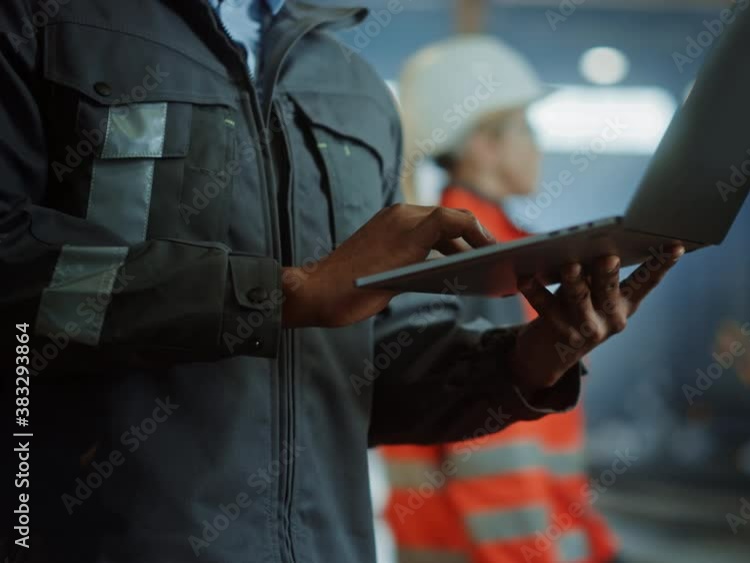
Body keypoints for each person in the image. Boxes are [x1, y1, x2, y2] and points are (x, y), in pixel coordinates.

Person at [0, 2, 683, 562]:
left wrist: (529, 360)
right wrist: (281, 293)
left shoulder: (354, 93)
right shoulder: (48, 26)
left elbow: (368, 363)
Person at [381, 36, 621, 563]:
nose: (537, 146)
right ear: (484, 145)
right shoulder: (472, 258)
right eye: (526, 130)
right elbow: (488, 451)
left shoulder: (493, 246)